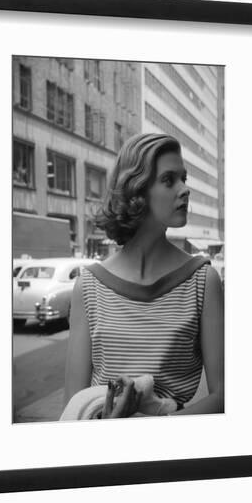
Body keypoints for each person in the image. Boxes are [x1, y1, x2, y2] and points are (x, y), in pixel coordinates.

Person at [63, 133, 224, 419]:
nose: (185, 189)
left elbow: (224, 395)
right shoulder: (88, 286)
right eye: (169, 180)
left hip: (175, 455)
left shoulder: (203, 281)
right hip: (104, 456)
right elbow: (73, 405)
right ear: (136, 189)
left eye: (184, 179)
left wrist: (152, 427)